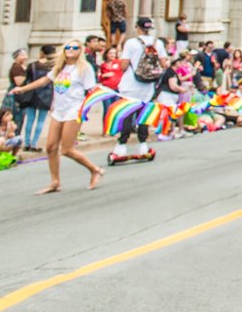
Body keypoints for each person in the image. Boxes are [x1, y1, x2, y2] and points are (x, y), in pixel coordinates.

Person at [11, 40, 104, 192]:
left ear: (80, 51)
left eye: (75, 47)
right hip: (59, 110)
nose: (71, 49)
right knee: (50, 147)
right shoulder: (61, 67)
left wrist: (85, 110)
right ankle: (55, 182)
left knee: (67, 149)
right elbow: (44, 80)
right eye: (68, 47)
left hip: (74, 110)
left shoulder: (84, 68)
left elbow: (91, 90)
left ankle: (94, 170)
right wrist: (22, 89)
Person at [113, 16, 163, 160]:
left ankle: (122, 145)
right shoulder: (157, 43)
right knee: (143, 116)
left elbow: (124, 65)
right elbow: (164, 63)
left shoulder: (131, 43)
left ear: (137, 27)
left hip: (130, 85)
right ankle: (143, 145)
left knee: (127, 115)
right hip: (148, 86)